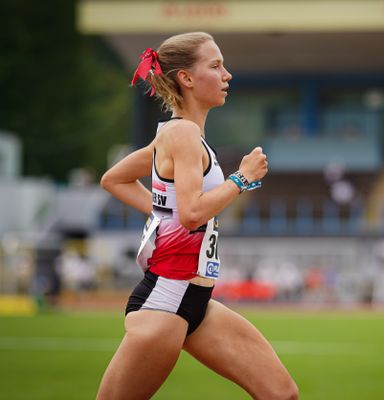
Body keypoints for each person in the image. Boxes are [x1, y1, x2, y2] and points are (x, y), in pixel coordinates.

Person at [97, 32, 299, 400]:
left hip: (197, 304)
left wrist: (166, 214)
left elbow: (116, 180)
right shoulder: (183, 133)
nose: (228, 75)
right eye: (216, 65)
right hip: (164, 302)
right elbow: (190, 215)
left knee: (281, 393)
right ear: (186, 79)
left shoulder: (175, 135)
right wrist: (243, 178)